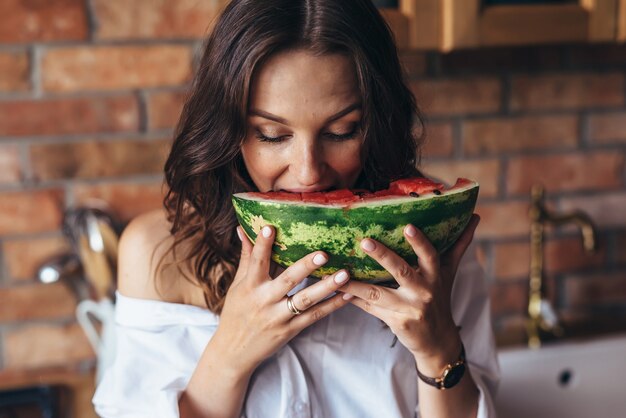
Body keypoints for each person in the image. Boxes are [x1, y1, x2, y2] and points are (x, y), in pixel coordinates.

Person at [93, 0, 499, 417]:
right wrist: (230, 355)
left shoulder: (429, 242)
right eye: (271, 135)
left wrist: (439, 351)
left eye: (342, 131)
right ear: (228, 131)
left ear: (376, 123)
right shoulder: (161, 255)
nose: (308, 173)